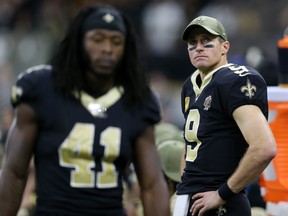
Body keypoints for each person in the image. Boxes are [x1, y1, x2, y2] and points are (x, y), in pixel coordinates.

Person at [0, 3, 170, 216]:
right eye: (97, 39)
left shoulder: (137, 99)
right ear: (79, 42)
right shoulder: (41, 89)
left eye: (116, 42)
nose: (107, 49)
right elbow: (15, 171)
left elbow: (152, 184)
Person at [173, 15, 277, 216]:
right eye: (192, 43)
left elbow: (264, 148)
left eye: (206, 41)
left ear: (225, 47)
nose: (199, 47)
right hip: (191, 199)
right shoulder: (190, 85)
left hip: (223, 204)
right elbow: (190, 143)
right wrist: (182, 190)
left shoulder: (234, 80)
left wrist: (222, 193)